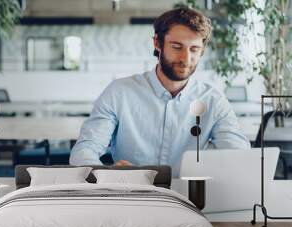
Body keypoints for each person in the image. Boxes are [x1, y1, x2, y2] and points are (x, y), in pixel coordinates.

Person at [69, 7, 250, 175]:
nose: (186, 59)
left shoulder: (213, 101)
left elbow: (239, 156)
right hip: (134, 196)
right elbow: (84, 151)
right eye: (177, 47)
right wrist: (108, 176)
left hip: (189, 198)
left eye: (194, 49)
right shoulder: (119, 93)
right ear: (157, 43)